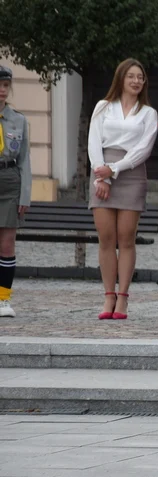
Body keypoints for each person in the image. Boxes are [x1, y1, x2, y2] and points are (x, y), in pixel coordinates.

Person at [87, 58, 158, 321]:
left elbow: (143, 149)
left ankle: (124, 297)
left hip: (129, 174)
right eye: (131, 76)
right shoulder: (103, 107)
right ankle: (108, 294)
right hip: (101, 173)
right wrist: (101, 175)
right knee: (106, 238)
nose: (136, 81)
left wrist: (114, 170)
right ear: (121, 78)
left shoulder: (148, 113)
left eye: (140, 77)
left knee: (126, 238)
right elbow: (94, 141)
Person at [0, 65, 29, 319]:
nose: (2, 90)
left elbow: (25, 160)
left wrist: (25, 196)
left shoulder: (18, 120)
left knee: (7, 244)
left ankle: (3, 298)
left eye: (6, 85)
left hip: (9, 180)